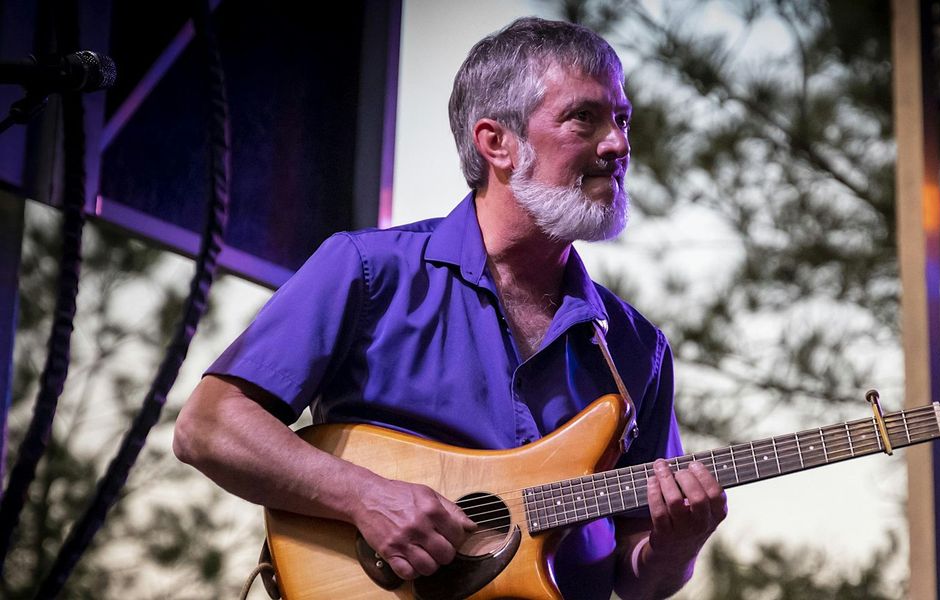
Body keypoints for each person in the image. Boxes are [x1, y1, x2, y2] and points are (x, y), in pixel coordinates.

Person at [173, 16, 726, 600]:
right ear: (497, 144)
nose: (617, 144)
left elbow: (640, 581)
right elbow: (207, 427)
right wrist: (365, 496)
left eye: (621, 119)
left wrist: (677, 544)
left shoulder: (636, 347)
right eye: (583, 118)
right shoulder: (367, 270)